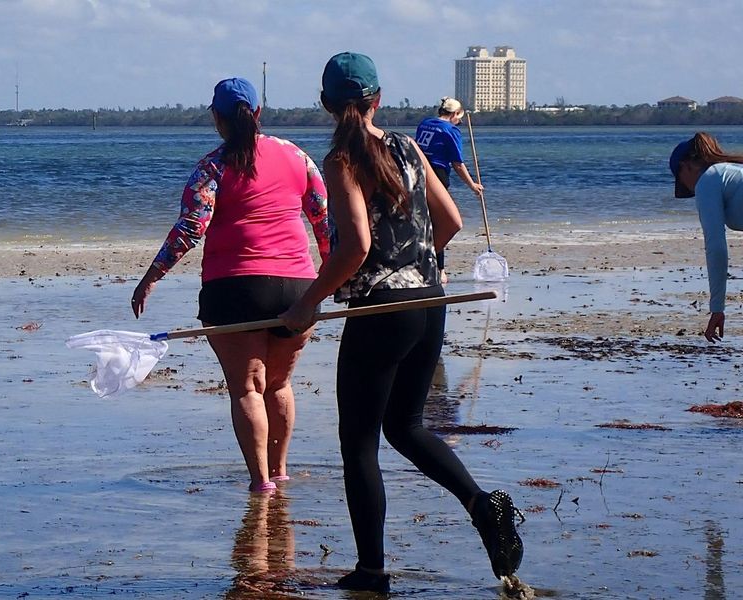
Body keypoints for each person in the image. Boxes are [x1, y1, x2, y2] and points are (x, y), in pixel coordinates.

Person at [279, 52, 523, 592]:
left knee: (359, 443)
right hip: (429, 304)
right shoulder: (409, 147)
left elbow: (357, 246)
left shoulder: (342, 158)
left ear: (325, 104)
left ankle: (371, 573)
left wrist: (309, 303)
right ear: (378, 100)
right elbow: (452, 220)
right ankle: (483, 506)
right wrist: (416, 270)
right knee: (407, 427)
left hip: (382, 312)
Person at [131, 77, 332, 494]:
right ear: (257, 113)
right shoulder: (297, 156)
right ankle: (280, 472)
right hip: (298, 286)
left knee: (247, 388)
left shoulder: (213, 166)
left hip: (235, 290)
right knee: (277, 384)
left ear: (216, 118)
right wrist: (333, 276)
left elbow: (192, 227)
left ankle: (260, 484)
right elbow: (323, 220)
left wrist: (151, 278)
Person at [670, 132, 743, 343]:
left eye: (680, 178)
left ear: (687, 166)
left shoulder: (708, 180)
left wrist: (717, 308)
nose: (686, 187)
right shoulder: (730, 173)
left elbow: (716, 248)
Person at [414, 97, 484, 283]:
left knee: (424, 222)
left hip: (417, 173)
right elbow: (458, 164)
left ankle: (426, 264)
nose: (460, 122)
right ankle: (439, 270)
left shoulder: (425, 123)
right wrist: (473, 185)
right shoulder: (451, 130)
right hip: (437, 175)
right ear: (454, 115)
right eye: (458, 117)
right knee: (441, 222)